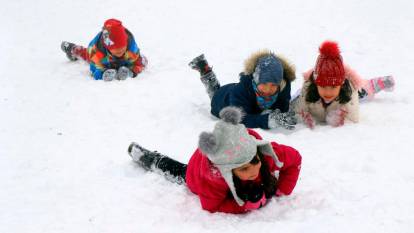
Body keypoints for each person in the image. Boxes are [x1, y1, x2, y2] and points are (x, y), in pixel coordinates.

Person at [128, 107, 302, 214]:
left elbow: (295, 160)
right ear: (228, 171)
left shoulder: (264, 152)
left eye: (254, 162)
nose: (253, 172)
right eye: (243, 169)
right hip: (197, 172)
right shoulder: (213, 179)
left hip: (226, 150)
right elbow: (212, 206)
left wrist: (282, 189)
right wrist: (244, 206)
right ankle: (148, 158)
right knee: (180, 172)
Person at [292, 41, 395, 128]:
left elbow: (354, 118)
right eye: (323, 86)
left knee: (362, 92)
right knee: (296, 98)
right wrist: (304, 118)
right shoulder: (307, 89)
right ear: (316, 84)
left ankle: (373, 85)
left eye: (333, 87)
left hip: (344, 94)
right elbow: (296, 112)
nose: (328, 92)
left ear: (341, 84)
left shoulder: (349, 90)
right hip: (311, 92)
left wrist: (340, 119)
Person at [188, 51, 297, 130]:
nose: (268, 89)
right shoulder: (240, 90)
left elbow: (283, 107)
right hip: (222, 100)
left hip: (235, 93)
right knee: (215, 92)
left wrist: (279, 114)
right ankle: (205, 71)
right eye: (264, 84)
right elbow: (240, 119)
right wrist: (267, 120)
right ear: (256, 80)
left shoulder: (283, 86)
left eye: (273, 85)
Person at [61, 18, 147, 81]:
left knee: (135, 59)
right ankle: (73, 50)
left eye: (122, 47)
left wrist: (131, 72)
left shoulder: (131, 49)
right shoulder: (98, 53)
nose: (120, 51)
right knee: (87, 55)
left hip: (123, 58)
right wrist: (103, 73)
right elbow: (94, 69)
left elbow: (140, 64)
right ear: (108, 47)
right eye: (116, 49)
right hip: (99, 53)